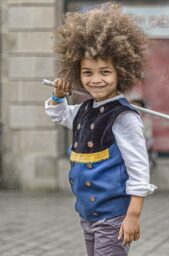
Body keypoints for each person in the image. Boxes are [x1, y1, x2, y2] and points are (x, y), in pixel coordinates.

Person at [44, 3, 156, 255]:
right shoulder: (84, 110)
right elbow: (57, 113)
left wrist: (133, 216)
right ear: (77, 73)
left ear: (121, 72)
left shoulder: (124, 117)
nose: (95, 79)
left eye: (105, 72)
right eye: (87, 72)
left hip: (114, 217)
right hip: (88, 215)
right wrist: (58, 96)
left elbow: (139, 170)